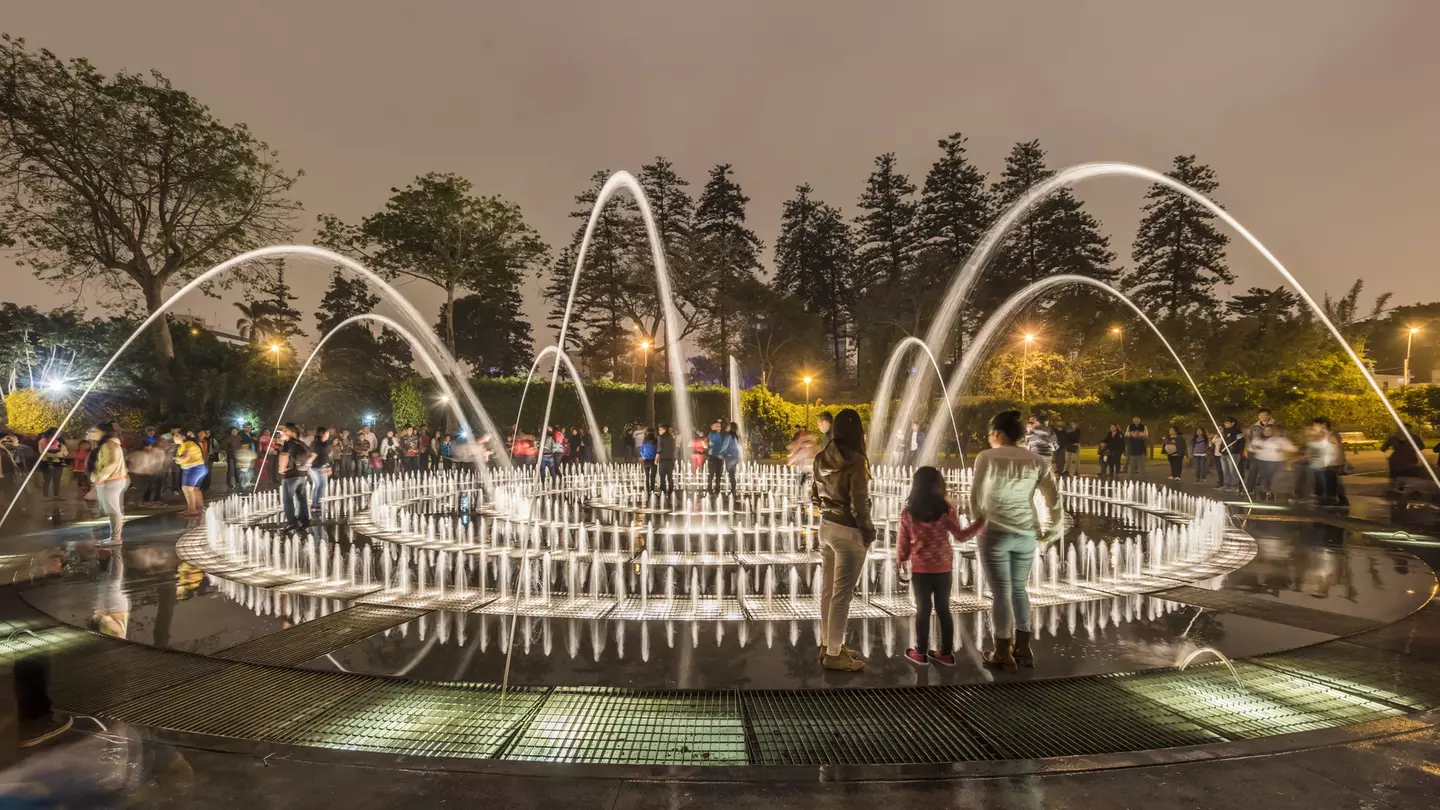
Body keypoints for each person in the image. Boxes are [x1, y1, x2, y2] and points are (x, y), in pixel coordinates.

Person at [970, 410, 1062, 671]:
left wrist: (978, 521)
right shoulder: (1036, 460)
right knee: (1019, 589)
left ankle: (1001, 652)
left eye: (990, 434)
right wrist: (1052, 529)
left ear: (997, 434)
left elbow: (976, 496)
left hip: (995, 531)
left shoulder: (987, 457)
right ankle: (1023, 648)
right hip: (1025, 533)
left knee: (1000, 591)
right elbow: (1053, 499)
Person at [896, 466, 984, 667]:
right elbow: (961, 537)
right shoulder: (947, 511)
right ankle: (945, 653)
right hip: (944, 568)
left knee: (923, 610)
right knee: (944, 609)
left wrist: (900, 560)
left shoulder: (909, 514)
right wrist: (980, 523)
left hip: (921, 570)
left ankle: (921, 653)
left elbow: (903, 545)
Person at [810, 408, 873, 672]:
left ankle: (828, 644)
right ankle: (835, 655)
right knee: (842, 596)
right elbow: (859, 502)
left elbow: (813, 496)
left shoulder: (821, 458)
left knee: (828, 591)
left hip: (826, 527)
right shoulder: (856, 461)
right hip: (848, 530)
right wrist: (868, 530)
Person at [87, 424, 128, 544]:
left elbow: (111, 464)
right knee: (112, 510)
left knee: (113, 510)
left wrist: (99, 477)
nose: (93, 433)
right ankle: (115, 537)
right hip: (112, 480)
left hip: (113, 481)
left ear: (104, 432)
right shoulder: (109, 444)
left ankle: (116, 538)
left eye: (96, 431)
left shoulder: (110, 445)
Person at [276, 423, 311, 531]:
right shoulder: (301, 443)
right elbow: (311, 456)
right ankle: (304, 520)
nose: (282, 433)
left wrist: (281, 469)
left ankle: (291, 522)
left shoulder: (289, 442)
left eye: (284, 430)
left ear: (290, 432)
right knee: (302, 499)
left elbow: (284, 455)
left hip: (291, 475)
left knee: (288, 500)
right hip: (302, 475)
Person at [1249, 424, 1295, 501]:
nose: (1267, 432)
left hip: (1275, 461)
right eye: (1265, 430)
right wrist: (1256, 448)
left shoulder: (1281, 439)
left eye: (1270, 430)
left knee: (1273, 477)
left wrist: (1283, 451)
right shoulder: (1262, 439)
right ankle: (1265, 491)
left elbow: (1292, 449)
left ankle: (1273, 493)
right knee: (1264, 476)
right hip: (1262, 460)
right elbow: (1253, 447)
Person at [1380, 424, 1426, 495]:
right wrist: (1387, 454)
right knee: (1396, 475)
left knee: (1410, 475)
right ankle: (1397, 490)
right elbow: (1383, 448)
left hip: (1410, 458)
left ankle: (1412, 490)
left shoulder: (1415, 438)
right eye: (1401, 428)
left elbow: (1422, 446)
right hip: (1396, 460)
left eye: (1407, 429)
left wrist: (1415, 448)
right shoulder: (1393, 438)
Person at [172, 428, 207, 517]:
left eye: (176, 435)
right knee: (195, 489)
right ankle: (199, 508)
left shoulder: (187, 444)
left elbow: (185, 458)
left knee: (187, 489)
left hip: (193, 469)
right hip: (198, 468)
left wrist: (176, 459)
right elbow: (182, 459)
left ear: (182, 437)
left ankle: (192, 509)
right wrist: (178, 460)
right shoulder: (183, 445)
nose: (174, 437)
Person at [309, 427, 333, 516]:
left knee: (317, 486)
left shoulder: (324, 443)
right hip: (316, 467)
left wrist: (328, 466)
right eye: (327, 433)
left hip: (321, 467)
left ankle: (315, 504)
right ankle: (315, 505)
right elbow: (314, 455)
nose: (328, 435)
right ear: (322, 434)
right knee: (321, 485)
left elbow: (326, 456)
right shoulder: (316, 444)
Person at [705, 419, 727, 495]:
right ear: (713, 427)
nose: (719, 427)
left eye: (720, 426)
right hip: (713, 457)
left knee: (718, 475)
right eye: (717, 426)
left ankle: (717, 490)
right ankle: (710, 490)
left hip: (719, 458)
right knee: (711, 474)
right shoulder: (712, 434)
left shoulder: (720, 435)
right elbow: (711, 444)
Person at [656, 424, 677, 495]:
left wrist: (656, 459)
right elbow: (673, 449)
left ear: (664, 430)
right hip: (670, 459)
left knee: (662, 477)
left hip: (663, 460)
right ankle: (671, 490)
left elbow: (659, 449)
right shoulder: (671, 438)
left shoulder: (660, 437)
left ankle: (663, 491)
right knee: (670, 476)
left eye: (660, 430)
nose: (659, 431)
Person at [723, 422, 742, 494]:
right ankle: (733, 489)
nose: (727, 427)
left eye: (728, 426)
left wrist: (721, 453)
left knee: (730, 473)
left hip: (730, 457)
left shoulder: (728, 435)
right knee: (732, 474)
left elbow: (725, 445)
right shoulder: (736, 436)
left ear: (731, 428)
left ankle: (733, 489)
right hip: (736, 457)